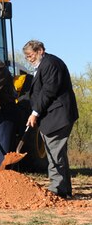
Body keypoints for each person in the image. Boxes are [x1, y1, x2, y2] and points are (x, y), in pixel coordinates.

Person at [23, 40, 79, 199]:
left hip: (58, 116)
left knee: (54, 153)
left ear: (40, 50)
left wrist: (34, 113)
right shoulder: (44, 64)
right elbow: (39, 92)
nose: (29, 59)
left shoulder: (50, 64)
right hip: (56, 115)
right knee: (58, 152)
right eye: (27, 57)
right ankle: (64, 190)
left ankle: (57, 190)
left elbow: (48, 91)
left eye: (31, 55)